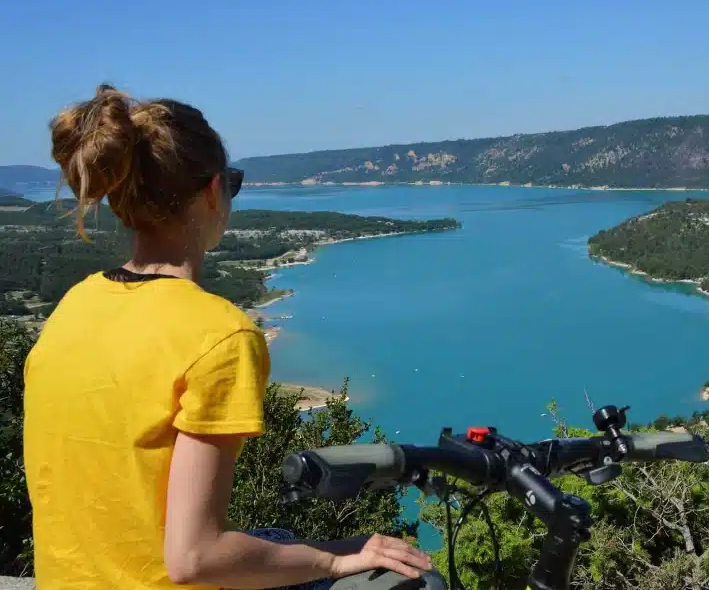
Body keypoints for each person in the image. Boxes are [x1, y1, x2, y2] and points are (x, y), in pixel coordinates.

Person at [22, 85, 433, 590]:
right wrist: (337, 556)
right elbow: (196, 558)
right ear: (214, 191)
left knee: (277, 536)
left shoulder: (75, 305)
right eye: (233, 183)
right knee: (407, 582)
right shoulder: (220, 336)